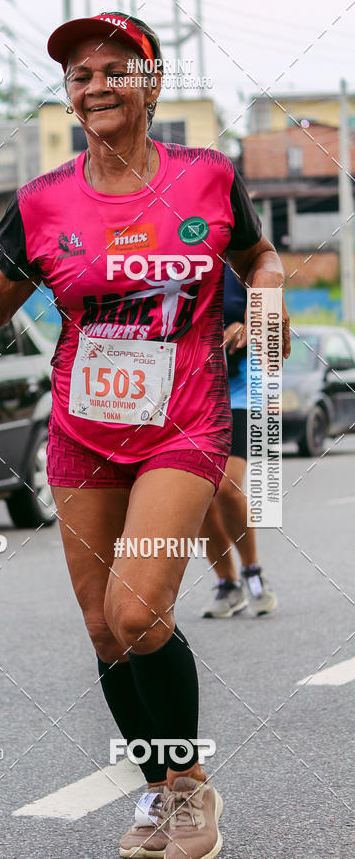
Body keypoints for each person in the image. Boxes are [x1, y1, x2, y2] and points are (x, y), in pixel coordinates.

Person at [0, 12, 291, 859]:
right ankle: (155, 793)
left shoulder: (210, 178)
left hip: (182, 423)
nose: (95, 84)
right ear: (68, 97)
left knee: (139, 611)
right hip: (81, 434)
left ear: (150, 83)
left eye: (115, 68)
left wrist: (269, 296)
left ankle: (190, 789)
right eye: (79, 75)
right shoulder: (41, 201)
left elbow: (258, 258)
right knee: (104, 630)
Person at [200, 265, 278, 619]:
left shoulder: (241, 258)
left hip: (241, 390)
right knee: (196, 493)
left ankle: (251, 570)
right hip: (188, 390)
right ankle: (227, 583)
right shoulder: (168, 257)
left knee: (226, 487)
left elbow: (273, 324)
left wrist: (249, 327)